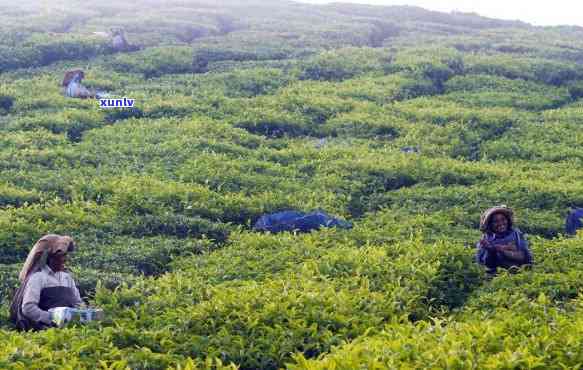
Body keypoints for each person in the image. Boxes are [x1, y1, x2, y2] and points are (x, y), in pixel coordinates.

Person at [10, 234, 84, 330]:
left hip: (69, 329)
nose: (65, 259)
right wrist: (51, 318)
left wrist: (83, 312)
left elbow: (77, 302)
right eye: (61, 256)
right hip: (45, 329)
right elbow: (28, 308)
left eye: (65, 255)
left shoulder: (67, 278)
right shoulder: (38, 278)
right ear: (50, 258)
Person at [475, 205, 533, 275]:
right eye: (495, 221)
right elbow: (485, 263)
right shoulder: (486, 239)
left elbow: (523, 256)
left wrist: (502, 250)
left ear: (507, 220)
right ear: (490, 224)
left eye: (503, 219)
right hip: (496, 274)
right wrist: (491, 250)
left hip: (519, 270)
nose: (500, 223)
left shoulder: (515, 234)